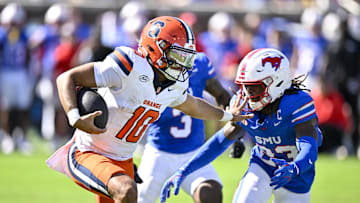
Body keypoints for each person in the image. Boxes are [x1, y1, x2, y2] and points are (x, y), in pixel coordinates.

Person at [46, 16, 253, 203]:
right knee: (127, 190)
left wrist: (228, 115)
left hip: (123, 160)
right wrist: (74, 116)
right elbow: (67, 78)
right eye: (178, 56)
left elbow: (194, 105)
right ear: (156, 49)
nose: (183, 64)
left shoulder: (173, 85)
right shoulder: (128, 66)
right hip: (88, 152)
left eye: (186, 57)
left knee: (127, 192)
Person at [160, 48, 323, 203]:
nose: (247, 93)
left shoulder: (296, 103)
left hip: (297, 177)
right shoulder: (243, 104)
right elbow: (219, 142)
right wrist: (185, 170)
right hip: (262, 167)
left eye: (254, 87)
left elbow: (309, 148)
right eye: (245, 86)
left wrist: (295, 168)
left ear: (277, 83)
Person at [137, 52, 231, 203]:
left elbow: (221, 95)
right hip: (158, 153)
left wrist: (235, 128)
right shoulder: (150, 69)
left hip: (194, 154)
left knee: (210, 195)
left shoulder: (199, 63)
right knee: (136, 198)